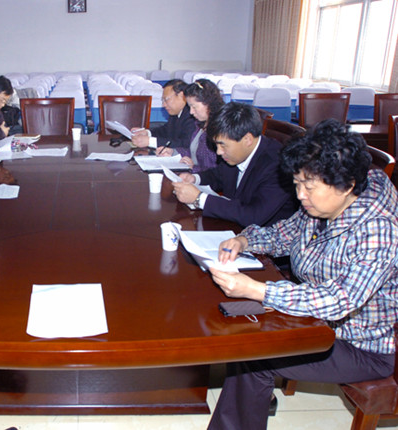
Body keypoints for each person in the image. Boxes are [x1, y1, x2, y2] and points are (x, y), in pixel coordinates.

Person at [207, 119, 398, 430]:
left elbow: (341, 299)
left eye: (308, 187)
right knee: (241, 333)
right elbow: (285, 233)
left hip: (359, 345)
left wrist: (259, 291)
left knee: (255, 359)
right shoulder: (322, 207)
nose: (300, 195)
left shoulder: (377, 230)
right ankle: (254, 401)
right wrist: (244, 240)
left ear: (347, 184)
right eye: (297, 184)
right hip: (317, 321)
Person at [171, 102, 296, 227]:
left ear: (247, 139)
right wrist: (194, 178)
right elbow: (218, 175)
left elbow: (254, 215)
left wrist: (199, 199)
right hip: (232, 226)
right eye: (216, 145)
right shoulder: (235, 154)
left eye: (223, 145)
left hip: (264, 235)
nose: (219, 152)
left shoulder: (278, 165)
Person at [158, 78, 224, 172]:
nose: (191, 112)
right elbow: (193, 152)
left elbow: (216, 171)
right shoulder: (200, 124)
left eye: (194, 107)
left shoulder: (219, 130)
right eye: (190, 107)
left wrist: (193, 168)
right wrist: (173, 152)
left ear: (208, 103)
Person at [130, 79, 196, 153]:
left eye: (166, 99)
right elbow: (165, 131)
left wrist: (150, 141)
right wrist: (147, 133)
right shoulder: (175, 112)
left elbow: (185, 143)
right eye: (163, 100)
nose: (164, 105)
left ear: (181, 95)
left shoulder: (192, 115)